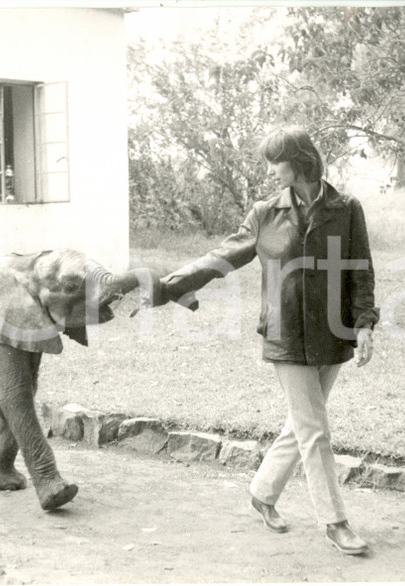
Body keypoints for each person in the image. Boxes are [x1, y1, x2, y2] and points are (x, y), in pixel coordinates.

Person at [154, 126, 379, 555]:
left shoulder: (347, 208)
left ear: (298, 161)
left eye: (275, 161)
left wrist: (365, 323)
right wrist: (173, 283)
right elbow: (223, 255)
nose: (270, 170)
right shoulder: (264, 213)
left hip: (334, 333)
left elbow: (361, 270)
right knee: (315, 429)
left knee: (302, 424)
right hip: (286, 333)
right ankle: (335, 522)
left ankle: (262, 492)